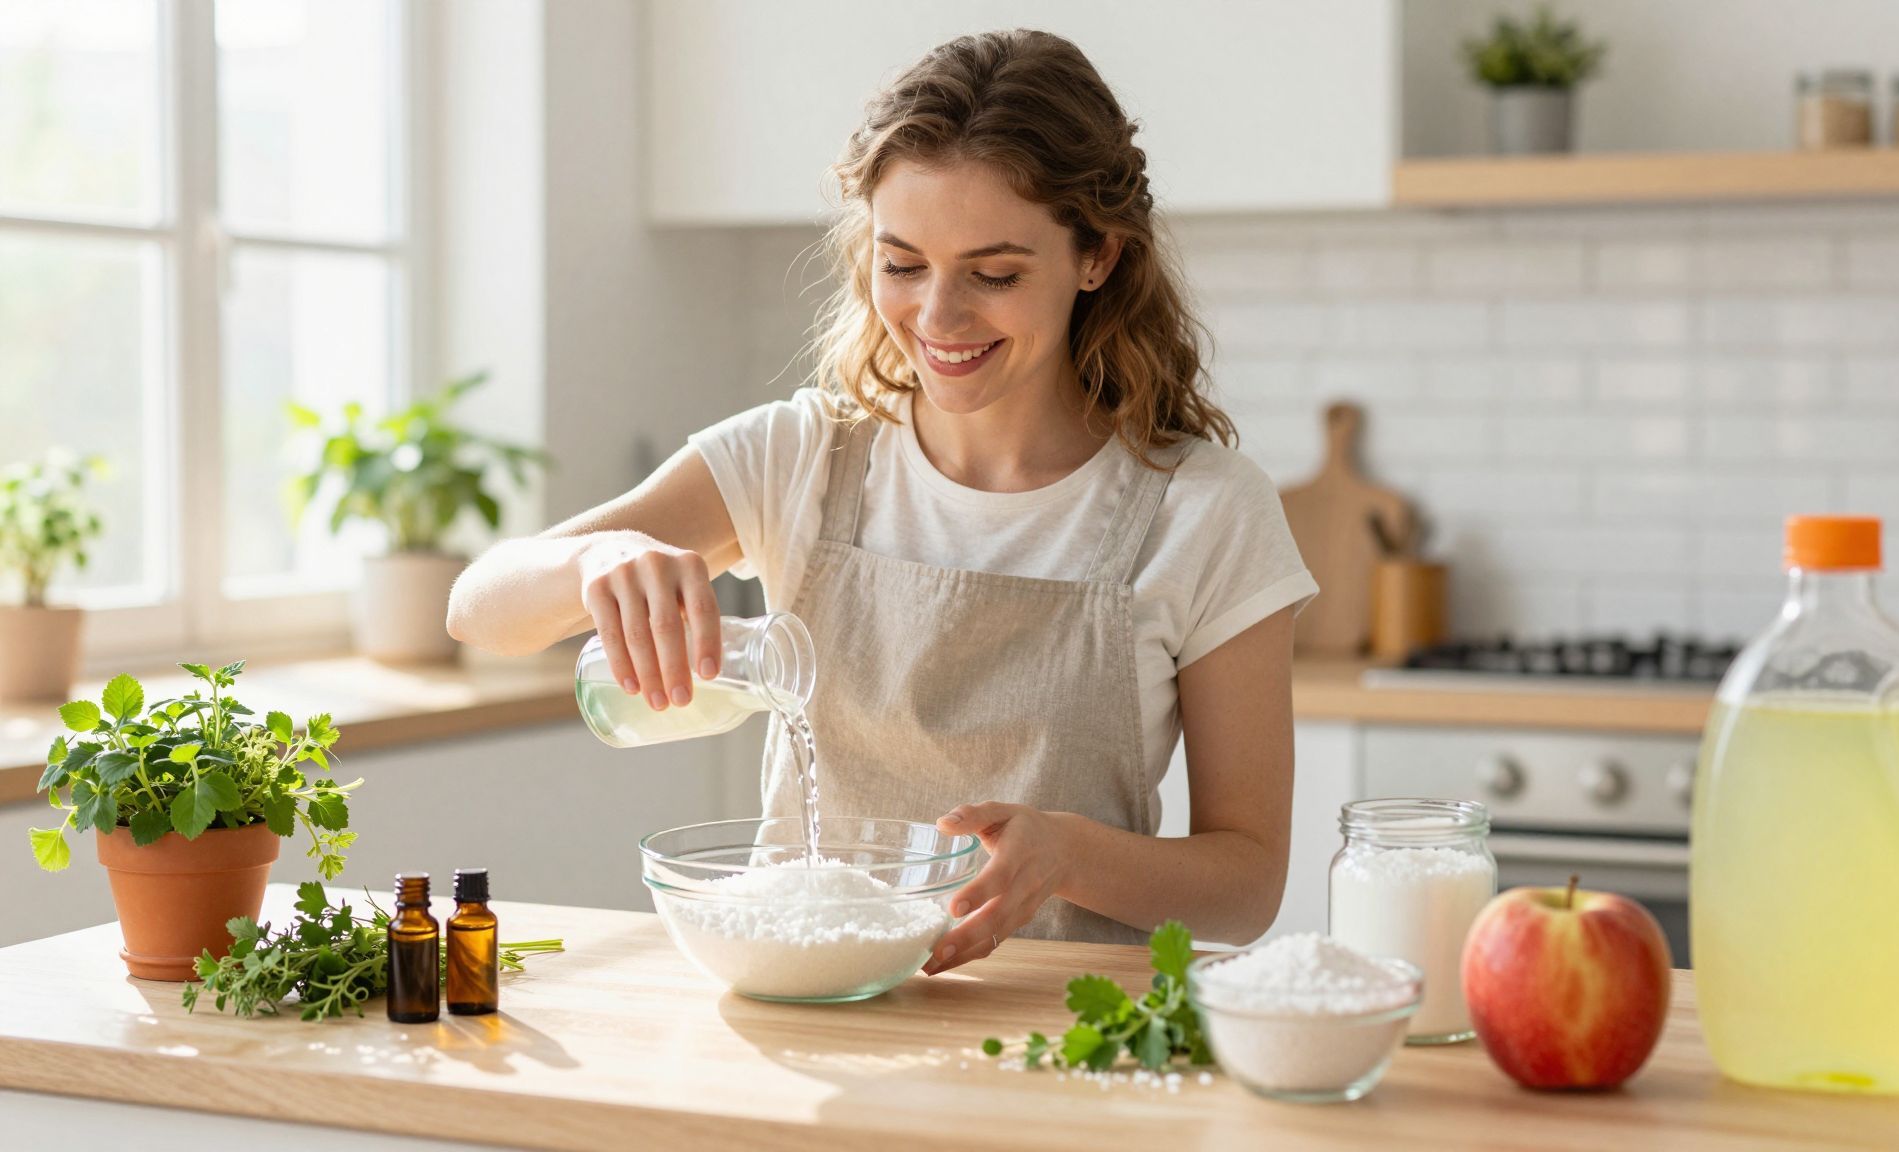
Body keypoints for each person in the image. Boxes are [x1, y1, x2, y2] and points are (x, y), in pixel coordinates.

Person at [447, 29, 1317, 973]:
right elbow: (478, 610)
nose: (937, 320)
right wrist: (595, 560)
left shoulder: (1204, 511)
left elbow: (1248, 886)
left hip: (1062, 1047)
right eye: (902, 264)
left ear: (1098, 256)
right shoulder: (800, 456)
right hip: (805, 1021)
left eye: (994, 274)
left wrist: (1071, 855)